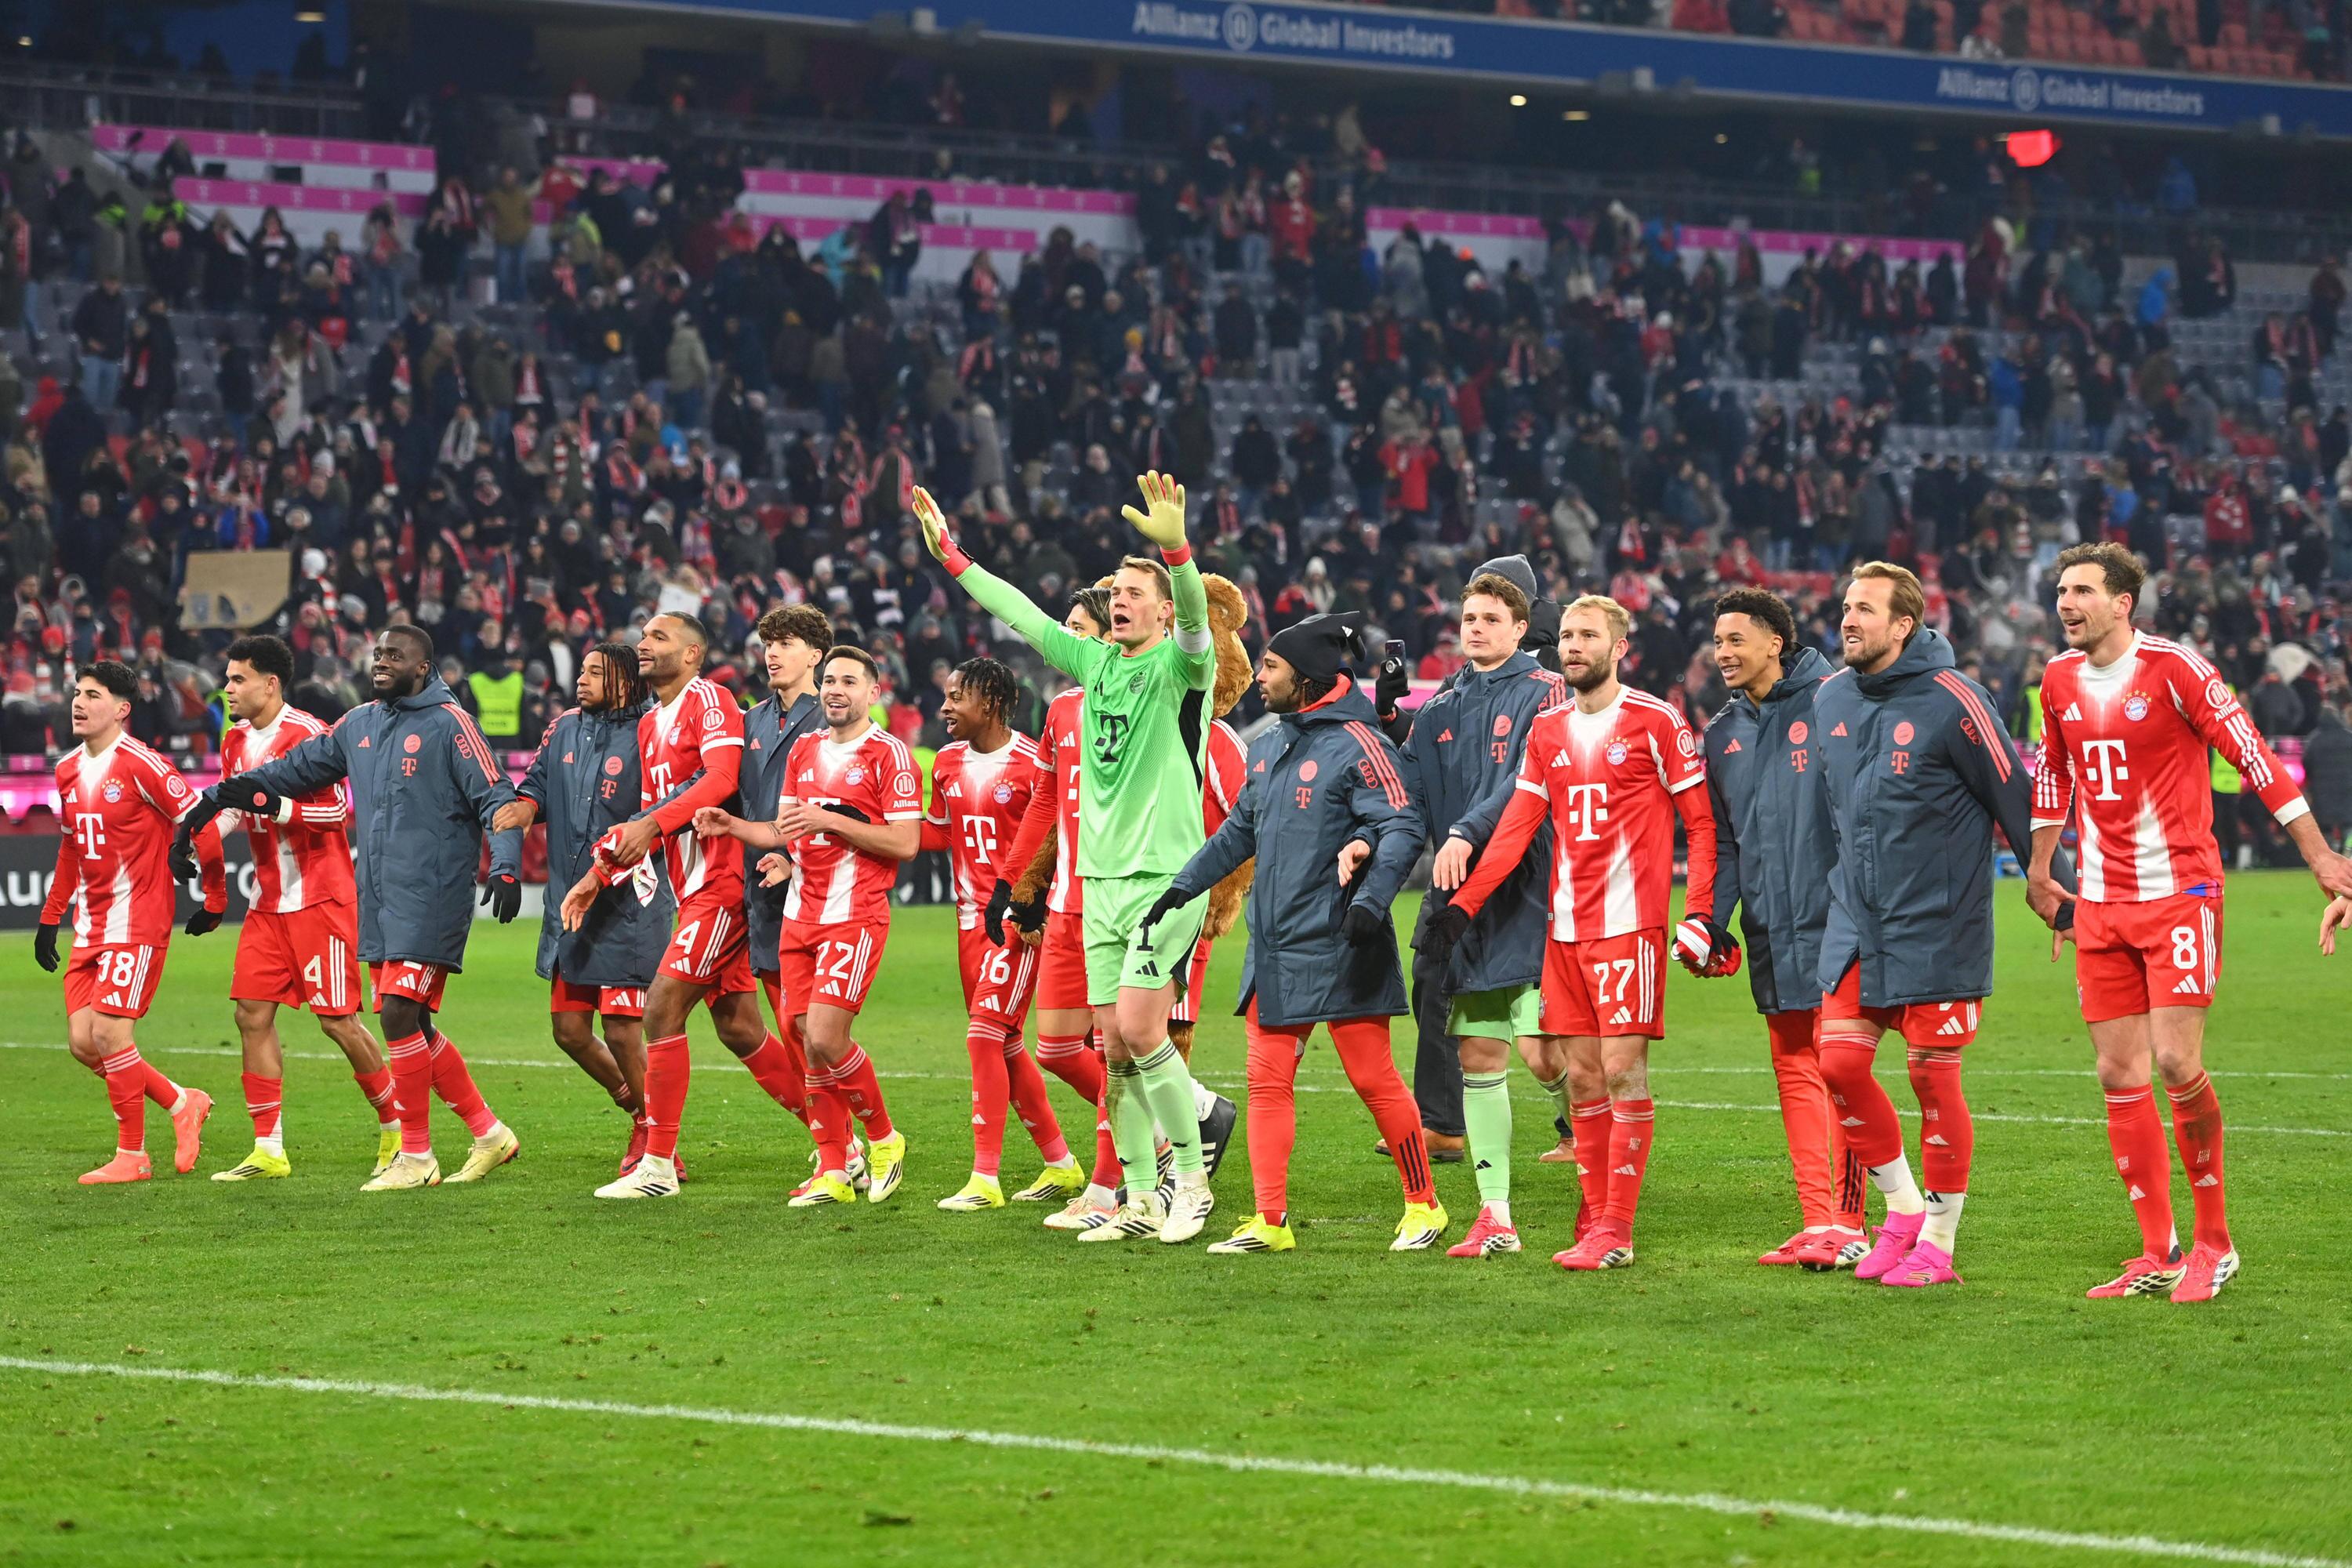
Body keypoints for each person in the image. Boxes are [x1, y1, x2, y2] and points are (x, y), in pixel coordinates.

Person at [2030, 543, 2352, 1303]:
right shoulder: (2058, 679)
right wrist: (2043, 870)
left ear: (2123, 603)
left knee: (2176, 1061)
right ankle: (2159, 1250)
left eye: (2082, 590)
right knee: (2118, 1072)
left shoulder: (2177, 670)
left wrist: (2321, 858)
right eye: (2062, 590)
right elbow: (2054, 771)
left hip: (2180, 891)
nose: (2066, 602)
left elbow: (2256, 758)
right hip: (2102, 901)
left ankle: (2216, 1242)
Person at [918, 474, 1221, 1244]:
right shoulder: (1096, 667)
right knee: (1112, 1048)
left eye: (1134, 592)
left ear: (1162, 610)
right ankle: (1140, 1199)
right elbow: (1019, 612)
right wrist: (953, 557)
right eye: (1115, 591)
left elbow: (1195, 615)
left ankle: (1192, 1183)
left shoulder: (1184, 667)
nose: (1120, 600)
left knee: (1143, 1030)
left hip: (1163, 879)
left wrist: (1178, 553)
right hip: (1098, 882)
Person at [1428, 596, 1720, 1271]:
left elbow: (1701, 824)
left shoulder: (1656, 720)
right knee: (1583, 1079)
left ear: (1620, 648)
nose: (1574, 646)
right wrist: (1463, 907)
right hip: (1563, 932)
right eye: (1566, 635)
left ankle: (1615, 1229)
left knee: (1622, 1073)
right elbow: (1516, 828)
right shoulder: (1549, 729)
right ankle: (1594, 1220)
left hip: (1629, 927)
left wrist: (1700, 912)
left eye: (1589, 635)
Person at [176, 625, 522, 1192]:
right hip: (380, 897)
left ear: (424, 667)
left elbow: (496, 796)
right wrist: (216, 798)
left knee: (395, 1015)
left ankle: (415, 1154)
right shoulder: (359, 724)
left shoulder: (451, 724)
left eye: (396, 655)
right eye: (378, 653)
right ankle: (488, 1133)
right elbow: (291, 771)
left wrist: (505, 864)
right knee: (414, 1022)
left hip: (432, 894)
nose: (381, 662)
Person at [1145, 612, 1445, 1254]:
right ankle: (1270, 1221)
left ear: (1306, 677)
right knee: (1266, 1080)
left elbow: (1401, 824)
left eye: (1272, 666)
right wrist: (1182, 886)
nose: (1260, 676)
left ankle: (1425, 1205)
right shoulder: (1270, 744)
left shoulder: (1359, 743)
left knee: (1373, 1078)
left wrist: (1372, 902)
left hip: (1343, 939)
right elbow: (1238, 833)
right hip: (1276, 947)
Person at [1813, 563, 2071, 1288]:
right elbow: (1831, 816)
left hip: (1938, 924)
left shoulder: (1956, 698)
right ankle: (1901, 1212)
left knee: (1931, 1077)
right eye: (1846, 606)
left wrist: (2057, 892)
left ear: (1904, 624)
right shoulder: (1832, 698)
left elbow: (2013, 795)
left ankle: (1939, 1242)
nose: (1848, 619)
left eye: (1866, 609)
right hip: (1857, 921)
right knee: (1838, 1066)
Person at [564, 612, 816, 1200]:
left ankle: (657, 1165)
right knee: (739, 1028)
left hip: (726, 884)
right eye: (643, 636)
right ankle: (841, 1143)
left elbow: (721, 779)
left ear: (692, 653)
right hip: (693, 889)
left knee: (661, 1008)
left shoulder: (712, 700)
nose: (643, 645)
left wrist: (650, 824)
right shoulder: (650, 724)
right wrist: (599, 875)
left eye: (659, 637)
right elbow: (654, 821)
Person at [691, 646, 921, 1208]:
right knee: (804, 1043)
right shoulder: (806, 748)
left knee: (825, 1036)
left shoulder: (890, 755)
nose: (836, 689)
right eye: (830, 681)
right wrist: (735, 827)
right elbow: (785, 828)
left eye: (850, 681)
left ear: (874, 692)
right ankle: (835, 1170)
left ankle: (885, 1138)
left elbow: (906, 843)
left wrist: (830, 820)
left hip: (854, 915)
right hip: (799, 917)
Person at [1395, 564, 1566, 1251]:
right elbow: (1407, 798)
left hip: (1529, 890)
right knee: (1477, 1049)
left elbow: (1528, 780)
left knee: (1546, 1055)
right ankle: (1495, 1213)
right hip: (1458, 898)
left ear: (1521, 629)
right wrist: (1366, 844)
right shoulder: (1439, 709)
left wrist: (1467, 831)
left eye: (1492, 619)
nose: (1477, 629)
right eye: (1469, 619)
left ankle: (1583, 1134)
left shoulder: (1546, 692)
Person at [1702, 590, 1870, 1269]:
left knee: (1842, 1071)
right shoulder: (1722, 734)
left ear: (1775, 642)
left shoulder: (1836, 703)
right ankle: (1817, 1220)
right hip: (1771, 927)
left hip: (1836, 924)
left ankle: (1851, 1223)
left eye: (1735, 640)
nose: (1723, 653)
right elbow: (1726, 842)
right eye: (1718, 642)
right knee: (1794, 1070)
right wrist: (1712, 921)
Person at [207, 634, 398, 1182]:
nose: (228, 689)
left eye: (238, 679)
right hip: (268, 901)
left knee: (339, 1022)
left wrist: (274, 803)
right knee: (250, 1014)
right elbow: (233, 807)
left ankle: (398, 1128)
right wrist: (197, 837)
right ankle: (268, 1148)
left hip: (320, 896)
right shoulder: (234, 741)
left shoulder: (309, 734)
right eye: (228, 678)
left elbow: (336, 811)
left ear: (270, 684)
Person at [38, 661, 226, 1184]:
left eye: (93, 695)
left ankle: (133, 1155)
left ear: (122, 709)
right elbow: (72, 848)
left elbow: (202, 823)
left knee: (109, 1032)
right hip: (90, 924)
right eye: (77, 693)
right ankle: (182, 1102)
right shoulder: (67, 770)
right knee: (84, 1042)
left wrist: (214, 898)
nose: (79, 703)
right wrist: (51, 916)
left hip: (138, 918)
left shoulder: (144, 764)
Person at [494, 642, 670, 1177]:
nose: (582, 679)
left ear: (626, 681)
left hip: (627, 905)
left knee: (622, 1032)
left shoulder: (653, 732)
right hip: (569, 902)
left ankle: (657, 1138)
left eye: (597, 672)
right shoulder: (564, 727)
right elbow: (538, 786)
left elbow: (660, 815)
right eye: (584, 670)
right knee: (569, 1031)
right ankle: (641, 1111)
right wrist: (524, 808)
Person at [921, 656, 1083, 1211]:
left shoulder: (1032, 762)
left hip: (1015, 921)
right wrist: (868, 827)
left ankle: (984, 1179)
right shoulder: (945, 763)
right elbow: (938, 834)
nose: (944, 708)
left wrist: (1033, 903)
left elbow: (1057, 836)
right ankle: (1061, 1162)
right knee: (1007, 1044)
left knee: (984, 1035)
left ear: (989, 702)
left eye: (956, 697)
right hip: (968, 922)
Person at [993, 589, 1123, 1232]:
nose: (1065, 639)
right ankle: (1178, 1120)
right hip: (1067, 902)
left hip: (1119, 900)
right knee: (1056, 1046)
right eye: (1063, 627)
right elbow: (1044, 801)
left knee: (1118, 1052)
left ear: (1108, 637)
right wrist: (1015, 885)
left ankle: (1108, 1185)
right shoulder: (1063, 710)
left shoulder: (1139, 699)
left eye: (1078, 628)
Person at [739, 605, 839, 1192]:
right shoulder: (751, 720)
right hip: (761, 892)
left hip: (816, 891)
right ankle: (839, 1145)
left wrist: (797, 859)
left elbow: (843, 804)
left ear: (815, 655)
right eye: (768, 643)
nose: (773, 652)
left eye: (787, 643)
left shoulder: (829, 719)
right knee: (789, 1027)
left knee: (810, 1029)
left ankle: (848, 1145)